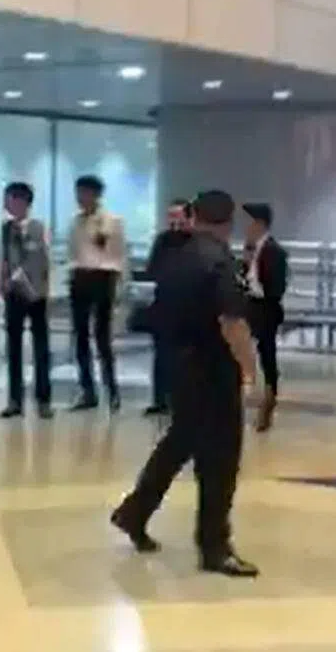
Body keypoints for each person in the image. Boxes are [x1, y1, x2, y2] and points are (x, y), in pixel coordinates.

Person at [110, 190, 259, 578]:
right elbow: (231, 322)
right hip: (213, 370)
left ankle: (134, 511)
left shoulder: (176, 255)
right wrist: (251, 372)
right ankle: (214, 546)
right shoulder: (220, 261)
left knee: (179, 442)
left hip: (178, 365)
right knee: (220, 460)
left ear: (195, 217)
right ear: (228, 223)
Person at [68, 175, 125, 413]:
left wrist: (119, 284)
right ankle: (87, 391)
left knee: (102, 337)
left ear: (97, 195)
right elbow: (74, 251)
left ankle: (112, 390)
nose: (80, 198)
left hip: (103, 277)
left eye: (85, 193)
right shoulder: (75, 222)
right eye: (78, 193)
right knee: (80, 336)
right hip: (80, 276)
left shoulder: (111, 221)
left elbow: (118, 254)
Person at [0, 182, 53, 420]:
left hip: (36, 293)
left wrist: (40, 288)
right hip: (14, 292)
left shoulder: (39, 227)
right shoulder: (6, 229)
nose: (6, 204)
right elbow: (4, 258)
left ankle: (43, 399)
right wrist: (3, 283)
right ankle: (15, 400)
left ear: (22, 201)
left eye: (9, 199)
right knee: (14, 347)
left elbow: (43, 260)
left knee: (41, 347)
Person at [143, 199, 193, 416]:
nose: (173, 221)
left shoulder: (195, 241)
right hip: (164, 303)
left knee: (185, 355)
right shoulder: (162, 240)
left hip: (189, 306)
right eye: (170, 216)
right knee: (161, 354)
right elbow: (152, 268)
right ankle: (160, 399)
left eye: (177, 216)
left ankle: (183, 399)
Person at [241, 203, 288, 432]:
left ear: (260, 224)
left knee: (267, 354)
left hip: (266, 308)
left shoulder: (275, 251)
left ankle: (269, 398)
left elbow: (277, 286)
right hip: (249, 305)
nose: (247, 228)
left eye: (250, 222)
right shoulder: (251, 249)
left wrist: (261, 289)